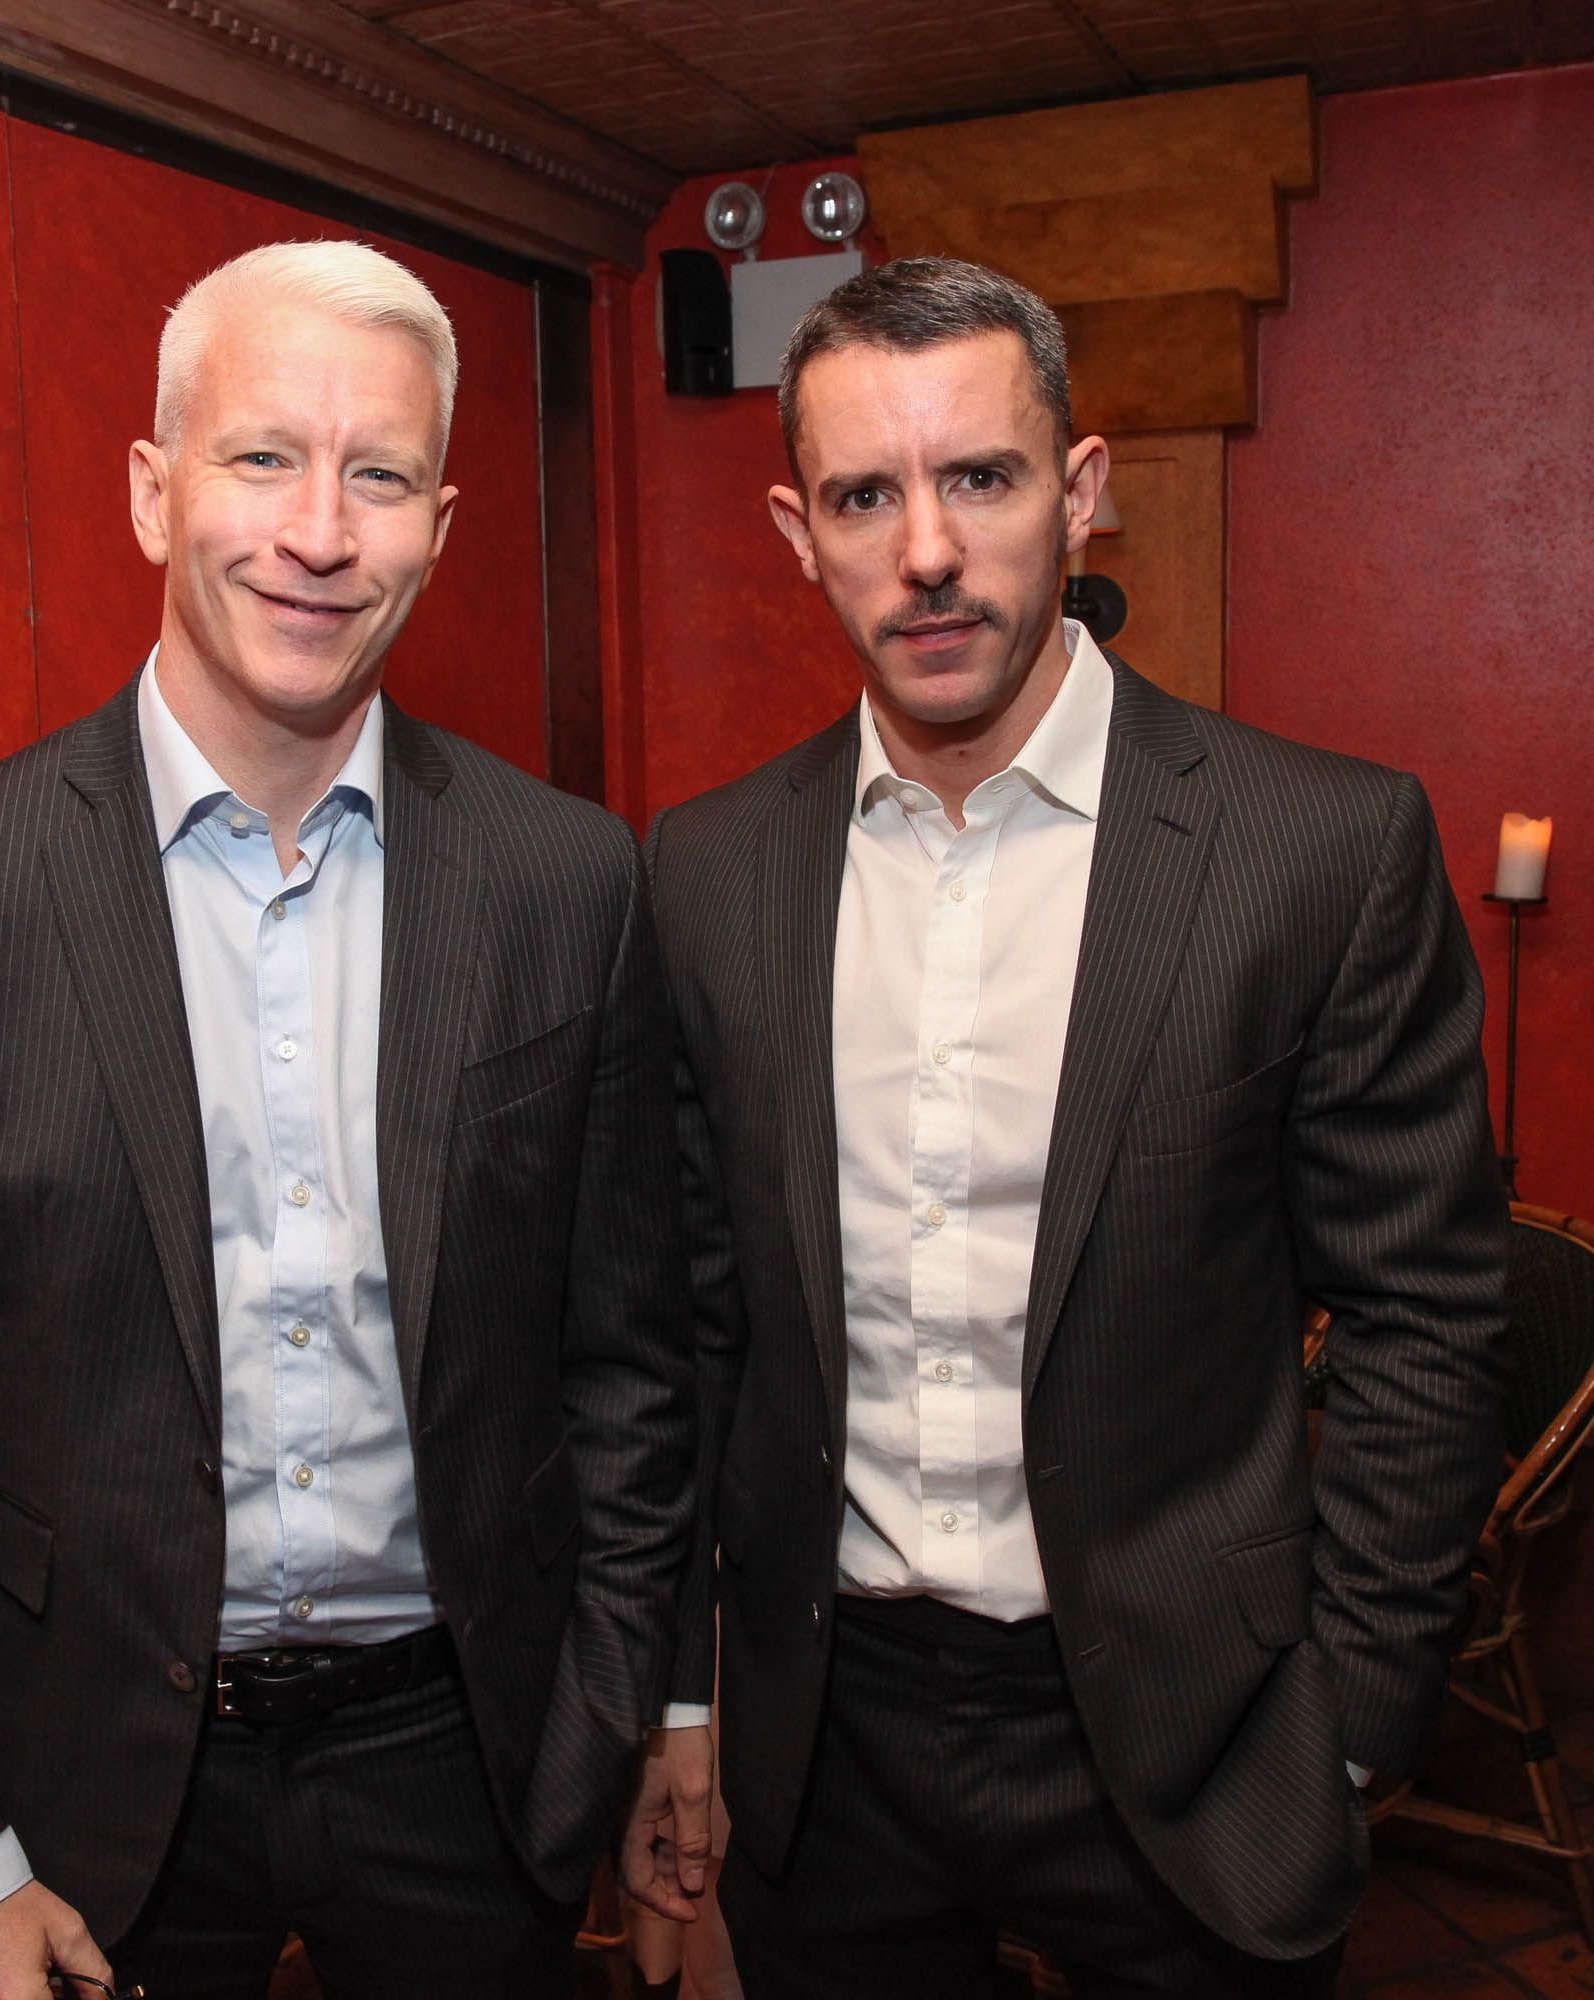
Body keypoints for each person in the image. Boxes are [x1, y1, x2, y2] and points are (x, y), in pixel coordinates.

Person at [0, 238, 693, 2000]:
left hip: (466, 1756)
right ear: (150, 491)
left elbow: (629, 1361)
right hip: (83, 1775)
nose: (321, 532)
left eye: (384, 476)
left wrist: (604, 1720)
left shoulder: (567, 884)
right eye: (263, 457)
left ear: (443, 520)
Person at [619, 256, 1508, 1996]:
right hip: (834, 1730)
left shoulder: (1314, 853)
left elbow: (1428, 1314)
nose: (927, 552)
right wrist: (687, 1689)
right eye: (867, 496)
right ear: (801, 531)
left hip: (1190, 1731)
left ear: (1081, 493)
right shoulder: (708, 874)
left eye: (984, 479)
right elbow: (692, 1331)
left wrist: (1345, 1726)